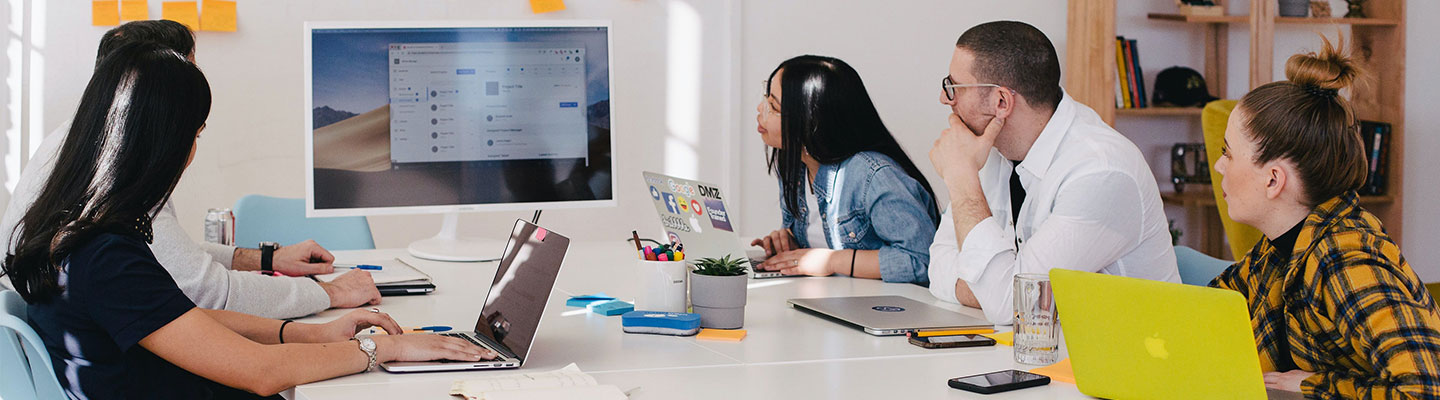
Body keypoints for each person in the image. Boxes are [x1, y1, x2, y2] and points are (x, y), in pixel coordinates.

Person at [2, 42, 493, 399]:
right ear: (166, 143)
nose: (193, 150)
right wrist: (382, 351)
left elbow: (177, 320)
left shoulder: (71, 229)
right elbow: (260, 372)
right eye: (195, 133)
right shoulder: (105, 254)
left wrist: (312, 332)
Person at [0, 20, 379, 319]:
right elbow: (208, 293)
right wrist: (329, 294)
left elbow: (162, 256)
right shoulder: (115, 171)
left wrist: (268, 260)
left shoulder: (77, 145)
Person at [1208, 37, 1440, 397]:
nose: (1219, 164)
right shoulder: (1281, 249)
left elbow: (1426, 390)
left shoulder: (1345, 261)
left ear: (1273, 180)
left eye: (1228, 153)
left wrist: (1316, 386)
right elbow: (1212, 308)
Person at [926, 21, 1179, 323]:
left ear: (1001, 102)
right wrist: (994, 292)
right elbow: (938, 267)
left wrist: (962, 181)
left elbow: (1015, 306)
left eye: (954, 87)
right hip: (1047, 354)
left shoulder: (1102, 171)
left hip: (1129, 363)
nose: (945, 99)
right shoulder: (990, 149)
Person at [749, 55, 940, 284]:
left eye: (773, 106)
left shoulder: (872, 175)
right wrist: (791, 243)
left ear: (811, 121)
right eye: (766, 98)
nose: (761, 109)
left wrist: (831, 261)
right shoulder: (794, 166)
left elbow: (922, 260)